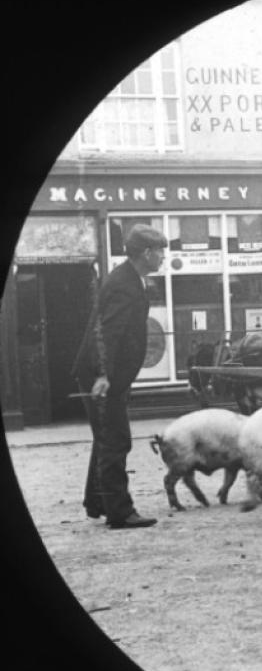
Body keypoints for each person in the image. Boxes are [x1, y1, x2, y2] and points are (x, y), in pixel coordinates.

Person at [71, 224, 168, 529]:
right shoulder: (124, 284)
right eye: (161, 251)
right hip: (102, 377)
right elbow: (106, 333)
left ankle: (98, 501)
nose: (164, 257)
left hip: (108, 376)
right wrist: (103, 375)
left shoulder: (129, 279)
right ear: (147, 253)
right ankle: (121, 513)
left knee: (106, 439)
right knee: (116, 440)